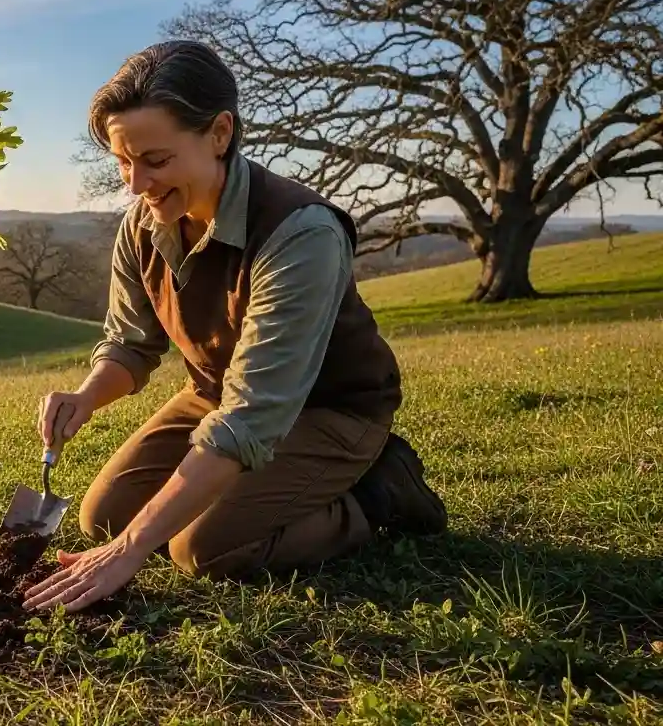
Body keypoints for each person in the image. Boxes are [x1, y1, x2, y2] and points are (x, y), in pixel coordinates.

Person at [22, 40, 448, 613]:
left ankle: (379, 493)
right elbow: (130, 343)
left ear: (219, 134)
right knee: (104, 515)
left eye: (156, 159)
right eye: (123, 161)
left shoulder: (301, 234)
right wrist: (86, 395)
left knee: (202, 549)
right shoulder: (143, 227)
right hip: (215, 395)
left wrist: (130, 550)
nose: (135, 184)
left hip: (328, 410)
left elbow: (253, 413)